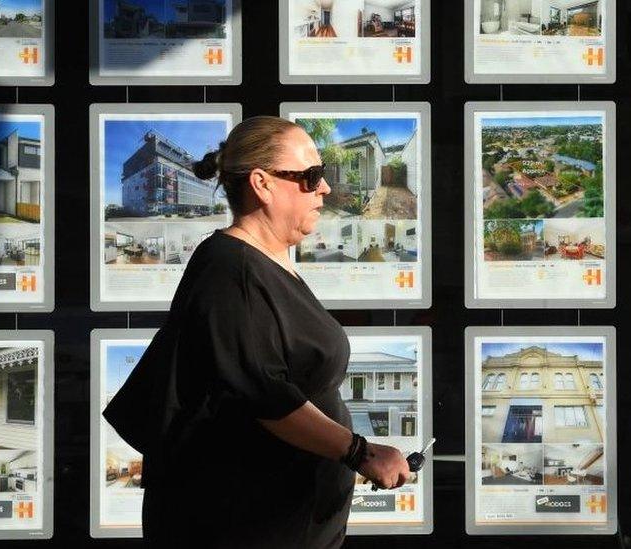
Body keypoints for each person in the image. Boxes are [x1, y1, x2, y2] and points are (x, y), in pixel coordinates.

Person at [102, 116, 411, 548]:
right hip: (240, 525)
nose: (324, 188)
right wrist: (362, 453)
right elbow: (263, 394)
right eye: (310, 177)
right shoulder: (231, 270)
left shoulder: (264, 262)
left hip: (284, 520)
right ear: (262, 184)